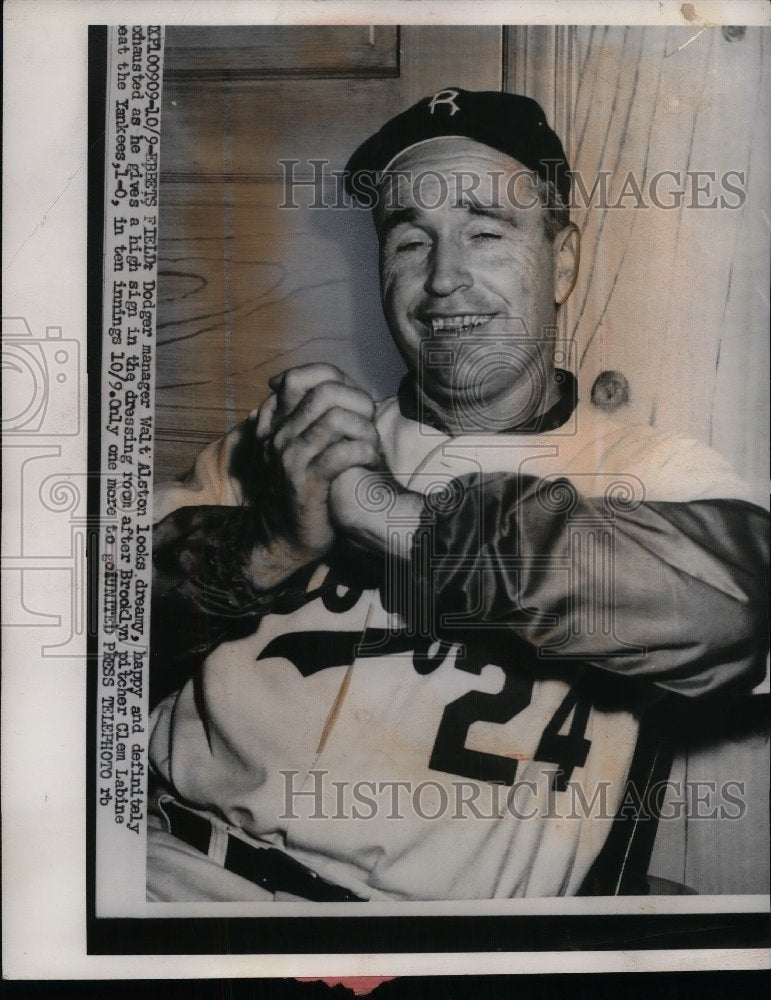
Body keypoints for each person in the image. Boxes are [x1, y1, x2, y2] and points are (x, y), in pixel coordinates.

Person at [147, 89, 768, 902]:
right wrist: (269, 545)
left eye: (485, 231)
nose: (442, 280)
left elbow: (737, 609)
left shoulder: (652, 471)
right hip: (156, 872)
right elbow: (93, 637)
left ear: (563, 262)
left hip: (401, 945)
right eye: (409, 239)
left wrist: (378, 510)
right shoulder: (289, 445)